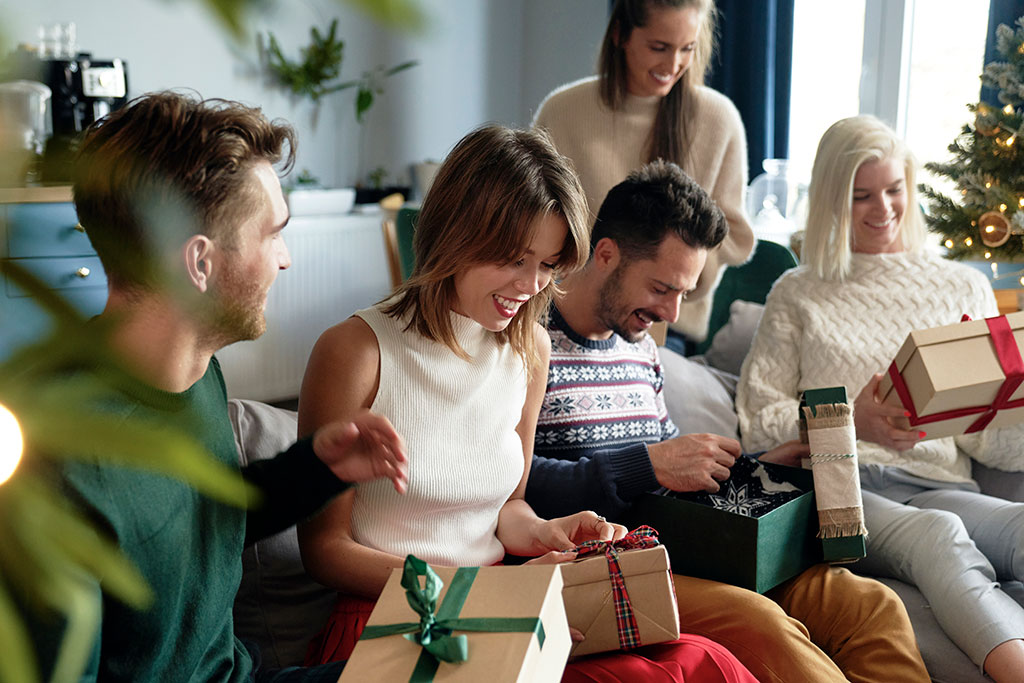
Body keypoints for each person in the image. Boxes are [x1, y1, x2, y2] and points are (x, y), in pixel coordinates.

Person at [296, 125, 758, 681]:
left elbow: (507, 509)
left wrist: (547, 531)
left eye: (547, 264)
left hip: (503, 599)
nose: (530, 285)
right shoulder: (355, 351)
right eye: (515, 259)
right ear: (455, 233)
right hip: (392, 616)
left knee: (711, 663)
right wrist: (484, 590)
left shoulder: (528, 348)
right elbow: (324, 550)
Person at [31, 92, 409, 683]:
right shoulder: (57, 461)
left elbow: (198, 518)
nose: (284, 260)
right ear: (199, 264)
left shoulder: (196, 368)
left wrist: (314, 469)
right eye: (272, 235)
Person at [526, 159, 931, 683]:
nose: (672, 313)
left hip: (685, 546)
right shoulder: (528, 343)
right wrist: (648, 465)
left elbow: (672, 473)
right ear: (606, 255)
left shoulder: (639, 347)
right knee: (764, 624)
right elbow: (513, 484)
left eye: (683, 294)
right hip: (604, 563)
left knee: (872, 604)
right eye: (660, 288)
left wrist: (759, 466)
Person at [736, 114, 1024, 682]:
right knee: (939, 537)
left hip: (942, 485)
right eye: (861, 195)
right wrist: (850, 422)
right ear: (831, 200)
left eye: (895, 190)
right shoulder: (798, 291)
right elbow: (758, 423)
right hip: (841, 492)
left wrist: (986, 409)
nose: (883, 209)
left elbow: (1001, 449)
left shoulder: (960, 285)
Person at [533, 0, 754, 346]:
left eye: (688, 49)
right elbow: (533, 217)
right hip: (561, 315)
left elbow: (735, 239)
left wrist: (669, 283)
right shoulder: (563, 111)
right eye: (659, 47)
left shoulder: (718, 120)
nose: (673, 64)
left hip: (665, 330)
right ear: (621, 34)